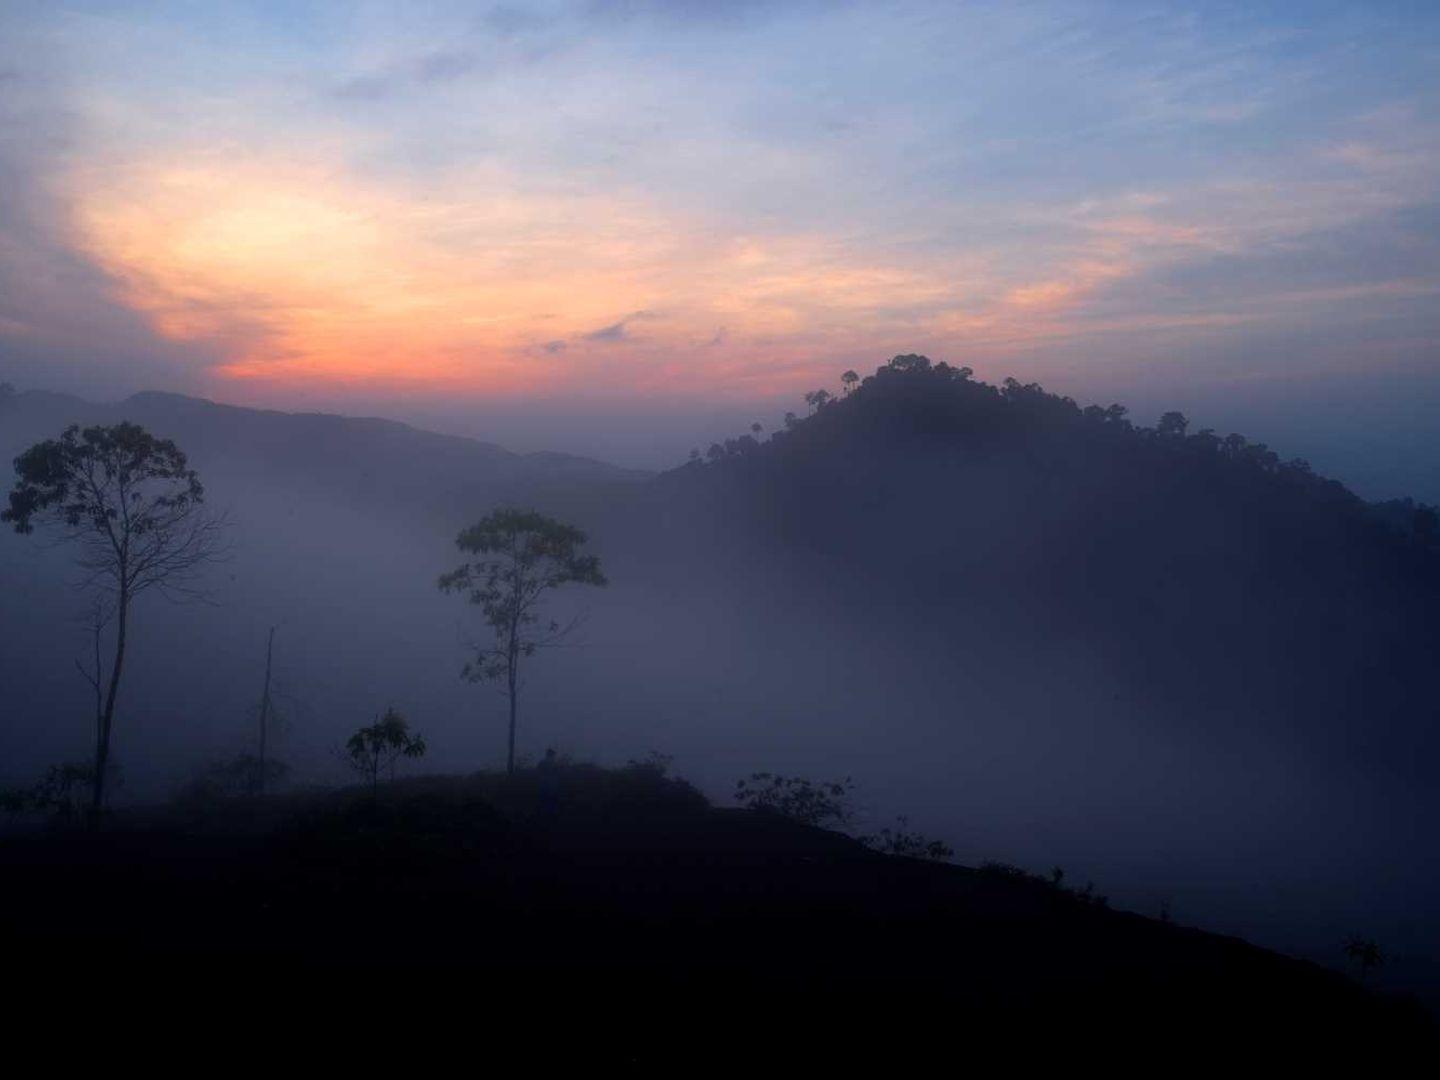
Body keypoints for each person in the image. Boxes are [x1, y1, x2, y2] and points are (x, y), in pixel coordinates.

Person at [536, 747, 560, 821]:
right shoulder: (555, 764)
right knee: (551, 803)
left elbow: (538, 772)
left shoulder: (542, 763)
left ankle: (543, 817)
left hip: (544, 785)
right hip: (552, 786)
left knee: (544, 802)